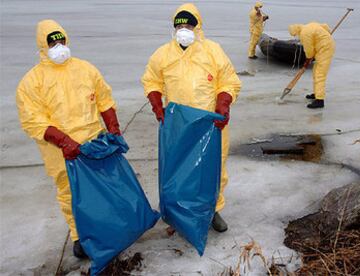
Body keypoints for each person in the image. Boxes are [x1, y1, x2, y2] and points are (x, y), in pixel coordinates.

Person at [16, 20, 121, 258]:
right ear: (43, 45)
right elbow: (33, 120)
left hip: (94, 146)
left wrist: (113, 127)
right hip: (60, 151)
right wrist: (64, 141)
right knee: (71, 194)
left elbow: (104, 99)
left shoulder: (85, 69)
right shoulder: (32, 82)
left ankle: (107, 229)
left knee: (102, 189)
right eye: (52, 42)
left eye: (61, 40)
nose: (58, 46)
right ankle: (79, 236)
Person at [141, 3, 241, 232]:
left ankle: (212, 209)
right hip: (179, 124)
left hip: (210, 122)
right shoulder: (163, 54)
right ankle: (179, 214)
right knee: (180, 170)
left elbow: (228, 80)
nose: (184, 29)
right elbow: (151, 80)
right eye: (180, 25)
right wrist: (158, 105)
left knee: (214, 168)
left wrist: (223, 105)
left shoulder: (213, 50)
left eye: (189, 25)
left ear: (197, 26)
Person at [288, 22, 335, 108]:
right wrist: (324, 36)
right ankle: (317, 93)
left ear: (296, 31)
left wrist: (308, 59)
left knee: (320, 74)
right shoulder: (309, 25)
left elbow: (309, 50)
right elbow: (325, 26)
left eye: (295, 35)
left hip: (325, 50)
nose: (296, 36)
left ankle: (320, 100)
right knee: (315, 72)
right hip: (324, 46)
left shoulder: (304, 34)